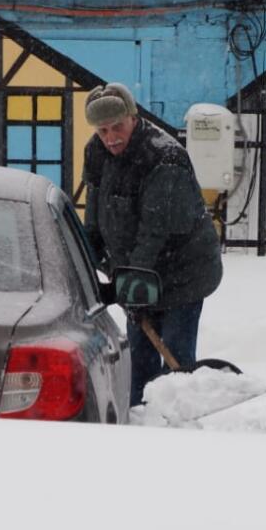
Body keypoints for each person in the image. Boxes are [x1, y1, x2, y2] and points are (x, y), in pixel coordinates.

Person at [82, 82, 223, 407]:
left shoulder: (164, 156)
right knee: (140, 363)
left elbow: (154, 229)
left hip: (183, 273)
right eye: (103, 130)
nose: (111, 137)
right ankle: (140, 418)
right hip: (137, 271)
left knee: (174, 356)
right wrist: (90, 259)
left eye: (117, 127)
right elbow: (94, 211)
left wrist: (130, 282)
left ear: (132, 117)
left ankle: (176, 416)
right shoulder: (97, 151)